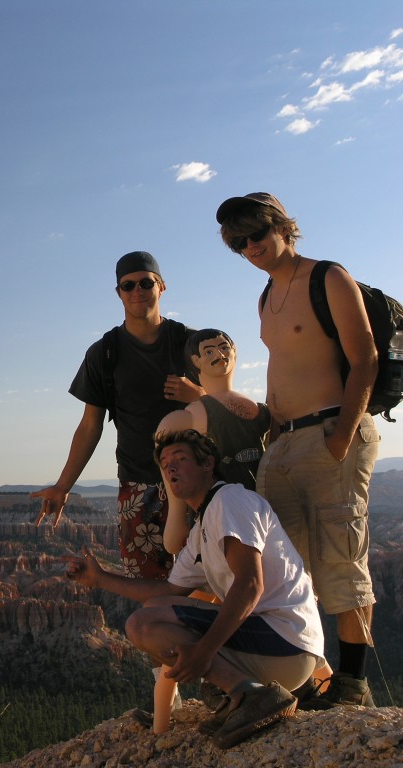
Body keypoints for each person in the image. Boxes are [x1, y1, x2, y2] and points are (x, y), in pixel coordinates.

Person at [216, 192, 379, 708]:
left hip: (331, 431)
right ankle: (308, 679)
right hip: (282, 444)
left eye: (256, 235)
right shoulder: (266, 297)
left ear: (282, 227)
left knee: (341, 563)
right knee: (288, 570)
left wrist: (342, 436)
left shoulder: (327, 277)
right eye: (238, 243)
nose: (250, 248)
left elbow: (366, 358)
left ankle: (353, 686)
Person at [63, 429, 324, 749]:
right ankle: (236, 697)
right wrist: (100, 578)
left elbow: (250, 584)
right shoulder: (203, 526)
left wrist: (204, 651)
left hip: (285, 640)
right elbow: (168, 591)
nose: (170, 467)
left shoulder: (230, 500)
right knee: (154, 610)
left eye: (180, 459)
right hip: (274, 647)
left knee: (141, 623)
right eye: (165, 463)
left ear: (208, 464)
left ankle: (251, 695)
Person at [32, 251, 203, 581]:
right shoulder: (104, 353)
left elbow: (226, 405)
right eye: (128, 285)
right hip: (139, 485)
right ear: (119, 292)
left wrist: (198, 396)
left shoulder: (192, 343)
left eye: (145, 283)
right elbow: (90, 425)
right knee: (149, 587)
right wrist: (63, 486)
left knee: (207, 587)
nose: (137, 291)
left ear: (162, 286)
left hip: (197, 483)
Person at [156, 329, 271, 554]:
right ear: (195, 361)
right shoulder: (192, 416)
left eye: (224, 347)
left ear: (234, 352)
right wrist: (177, 520)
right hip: (217, 518)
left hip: (262, 513)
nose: (219, 354)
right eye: (209, 351)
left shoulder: (262, 411)